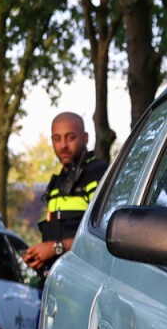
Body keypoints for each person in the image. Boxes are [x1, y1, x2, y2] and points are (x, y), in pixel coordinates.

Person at [23, 112, 109, 277]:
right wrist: (40, 256)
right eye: (57, 138)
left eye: (70, 137)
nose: (63, 145)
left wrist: (55, 248)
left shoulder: (96, 174)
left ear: (85, 138)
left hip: (86, 280)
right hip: (57, 282)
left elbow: (103, 235)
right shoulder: (55, 184)